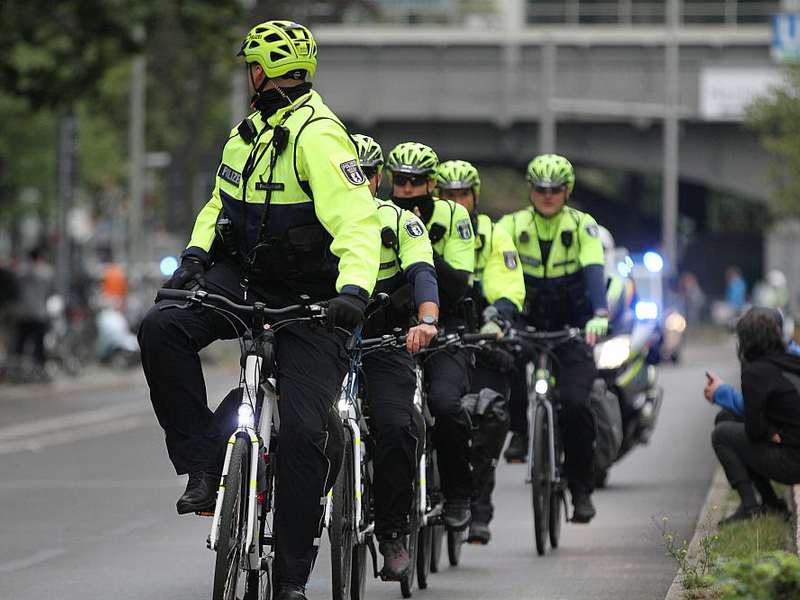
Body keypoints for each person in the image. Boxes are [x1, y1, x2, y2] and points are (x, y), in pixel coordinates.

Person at [137, 20, 381, 600]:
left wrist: (353, 292)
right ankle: (201, 463)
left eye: (250, 66)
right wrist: (195, 258)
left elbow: (357, 222)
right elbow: (220, 204)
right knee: (161, 327)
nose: (248, 76)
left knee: (301, 433)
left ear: (261, 71)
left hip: (313, 301)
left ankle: (293, 576)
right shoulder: (244, 135)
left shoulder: (321, 137)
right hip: (245, 282)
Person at [498, 154, 608, 524]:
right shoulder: (510, 225)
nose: (547, 196)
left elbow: (594, 270)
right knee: (506, 356)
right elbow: (495, 274)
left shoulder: (582, 226)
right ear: (530, 190)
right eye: (540, 189)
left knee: (577, 405)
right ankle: (519, 431)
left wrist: (599, 315)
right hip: (526, 322)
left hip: (572, 328)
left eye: (555, 190)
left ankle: (581, 490)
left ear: (567, 191)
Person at [351, 133, 439, 580]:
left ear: (378, 178)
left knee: (395, 426)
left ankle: (391, 534)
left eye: (368, 173)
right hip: (327, 344)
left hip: (386, 345)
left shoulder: (403, 221)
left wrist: (426, 319)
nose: (360, 181)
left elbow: (422, 270)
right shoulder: (316, 215)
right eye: (351, 171)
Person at [385, 141, 477, 532]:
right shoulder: (378, 214)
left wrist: (420, 242)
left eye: (416, 182)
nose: (407, 189)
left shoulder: (456, 216)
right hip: (393, 331)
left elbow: (457, 286)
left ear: (432, 184)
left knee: (446, 404)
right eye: (401, 181)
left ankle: (458, 494)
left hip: (446, 330)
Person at [435, 159, 525, 544]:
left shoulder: (492, 234)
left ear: (475, 197)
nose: (457, 201)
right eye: (449, 194)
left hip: (480, 338)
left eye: (463, 195)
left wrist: (497, 319)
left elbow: (507, 283)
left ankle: (480, 507)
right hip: (435, 335)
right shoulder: (426, 228)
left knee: (485, 414)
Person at [705, 307, 800, 524]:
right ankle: (771, 504)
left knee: (721, 434)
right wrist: (771, 430)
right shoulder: (790, 358)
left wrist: (767, 431)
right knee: (727, 418)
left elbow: (754, 429)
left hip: (793, 463)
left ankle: (751, 507)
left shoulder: (755, 372)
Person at [13, 248, 55, 370]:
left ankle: (18, 368)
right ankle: (40, 368)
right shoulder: (46, 272)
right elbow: (50, 289)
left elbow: (15, 274)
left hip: (23, 313)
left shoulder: (22, 271)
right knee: (39, 344)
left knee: (21, 343)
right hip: (39, 313)